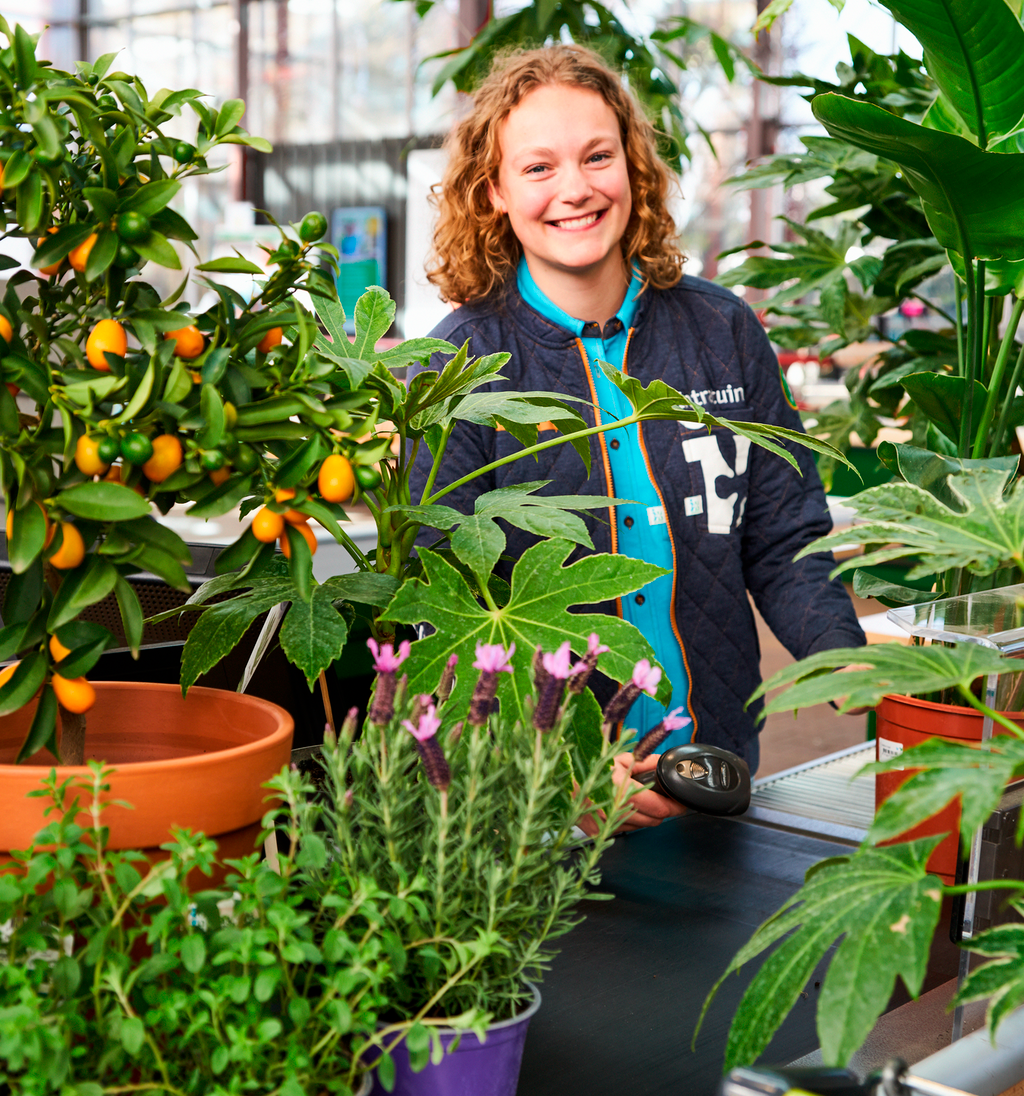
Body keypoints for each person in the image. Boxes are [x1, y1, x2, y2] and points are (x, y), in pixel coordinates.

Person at [408, 44, 866, 826]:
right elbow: (442, 607)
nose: (577, 189)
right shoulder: (460, 366)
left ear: (634, 168)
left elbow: (785, 539)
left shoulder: (723, 330)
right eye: (539, 168)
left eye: (598, 156)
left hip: (718, 767)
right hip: (542, 801)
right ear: (493, 193)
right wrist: (553, 775)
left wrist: (850, 671)